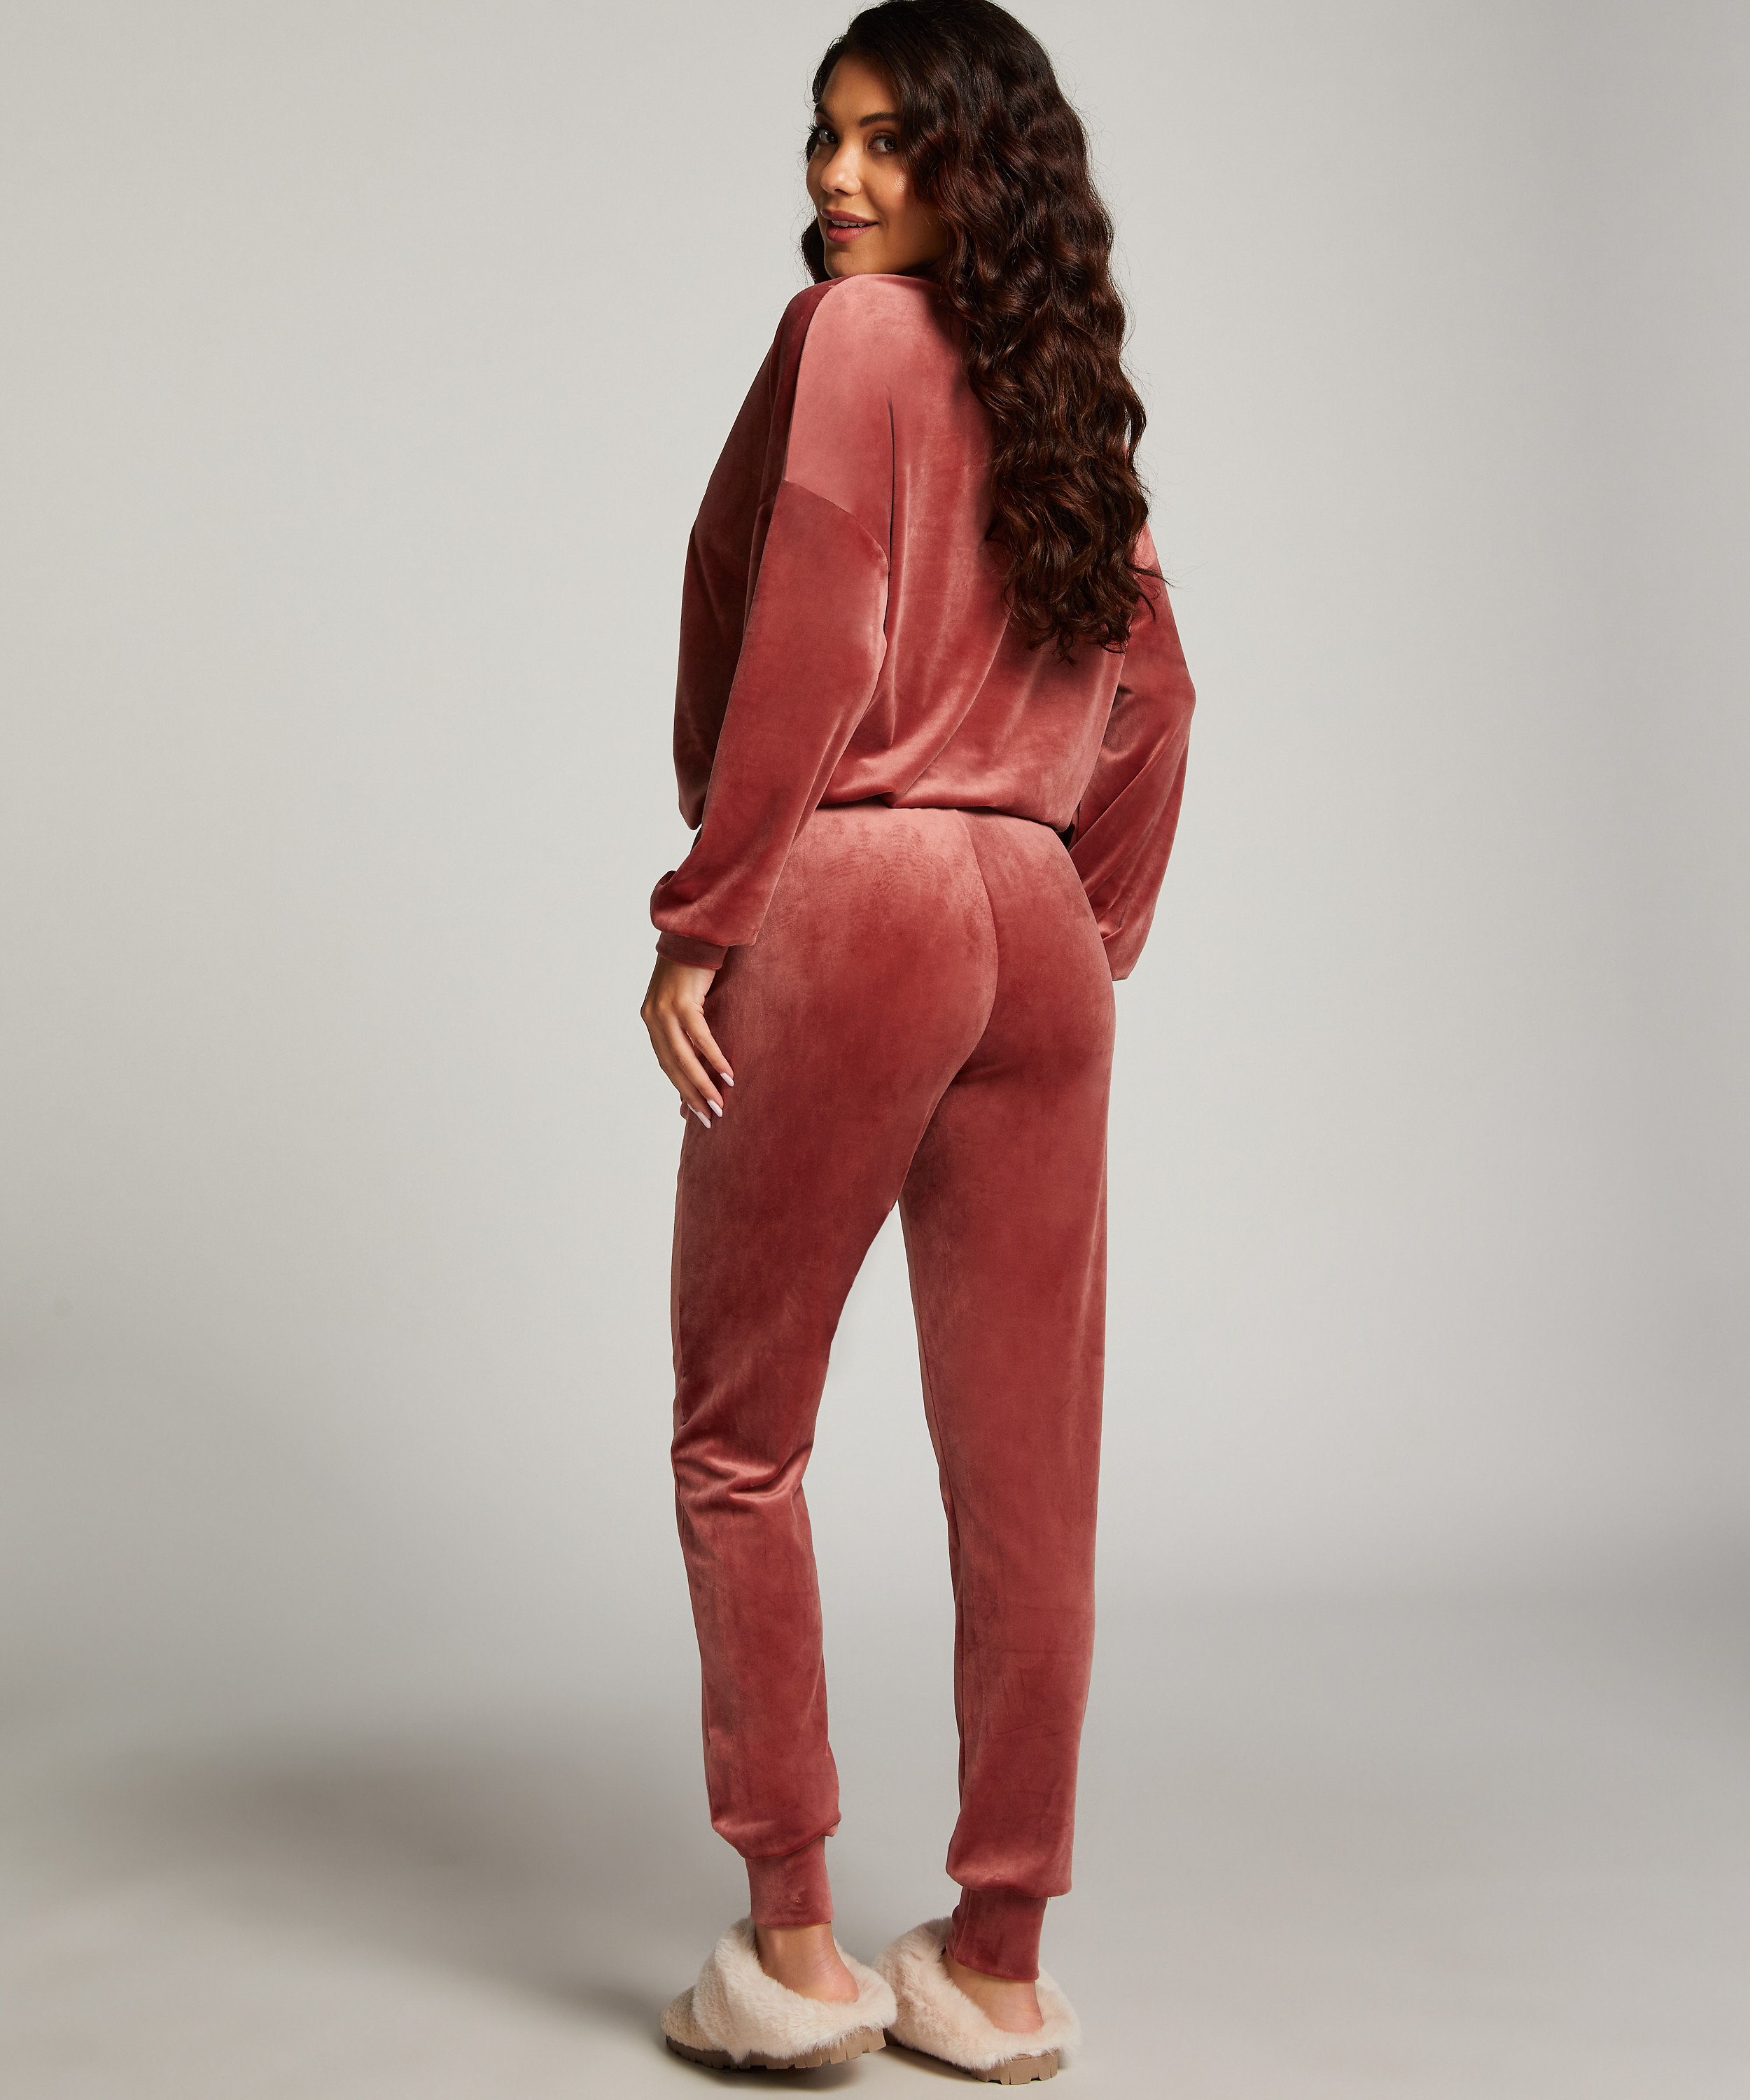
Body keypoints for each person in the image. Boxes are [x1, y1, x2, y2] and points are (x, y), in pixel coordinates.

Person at [640, 0, 1194, 2078]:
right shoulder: (1065, 395)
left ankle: (794, 1955)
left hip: (854, 892)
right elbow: (1162, 697)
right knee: (1029, 1468)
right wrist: (1080, 926)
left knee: (741, 1437)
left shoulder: (851, 340)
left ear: (981, 163)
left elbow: (806, 624)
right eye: (825, 137)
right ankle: (998, 1963)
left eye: (887, 141)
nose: (838, 178)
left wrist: (708, 913)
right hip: (1033, 923)